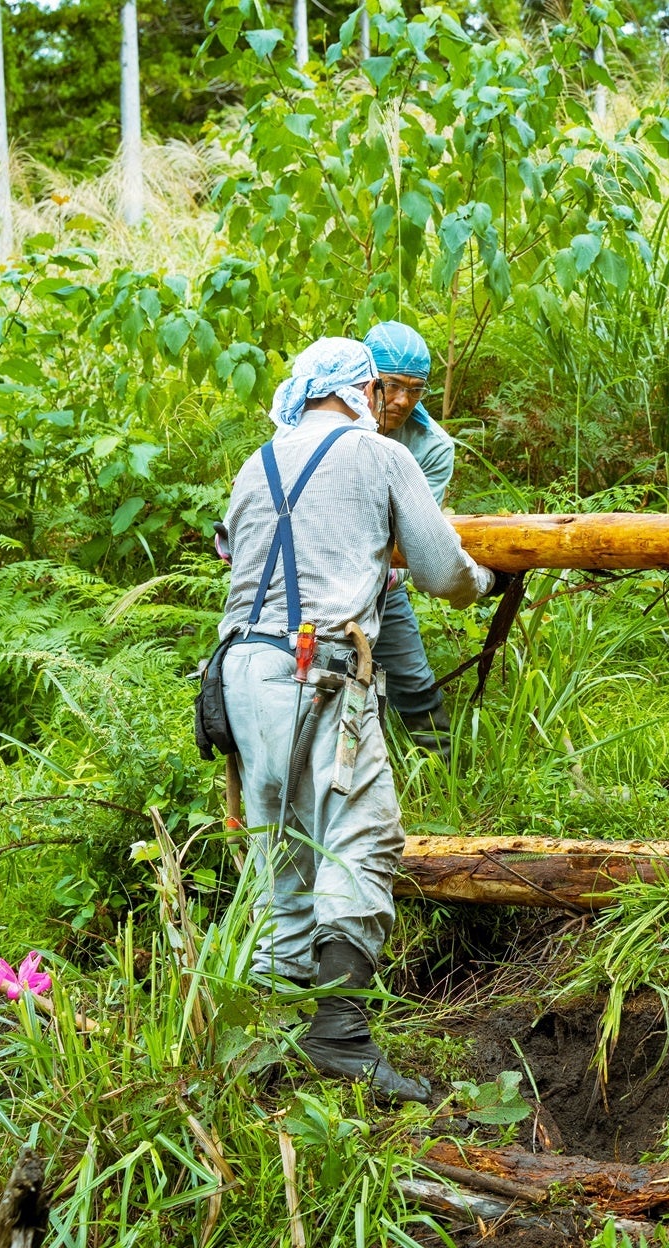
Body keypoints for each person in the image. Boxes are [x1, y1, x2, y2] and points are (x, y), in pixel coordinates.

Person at [217, 337, 500, 1102]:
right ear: (361, 392)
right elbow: (440, 571)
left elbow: (233, 554)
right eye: (380, 390)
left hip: (239, 676)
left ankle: (265, 1048)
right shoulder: (381, 455)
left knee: (281, 858)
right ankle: (339, 1036)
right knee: (363, 839)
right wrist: (485, 579)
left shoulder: (256, 463)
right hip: (323, 674)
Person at [361, 321, 457, 756]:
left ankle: (443, 778)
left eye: (415, 390)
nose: (402, 400)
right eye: (393, 385)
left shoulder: (431, 446)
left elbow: (415, 534)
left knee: (415, 684)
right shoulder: (329, 422)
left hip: (386, 581)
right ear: (368, 379)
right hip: (316, 579)